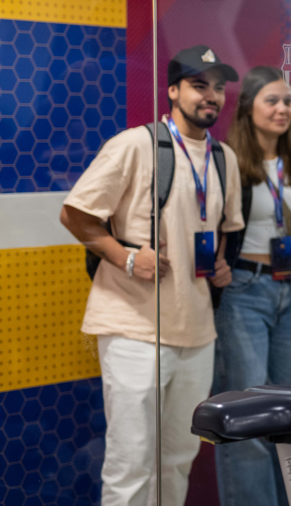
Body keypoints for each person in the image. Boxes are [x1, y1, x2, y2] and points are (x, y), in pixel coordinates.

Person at [60, 45, 243, 506]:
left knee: (178, 456)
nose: (212, 97)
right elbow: (75, 214)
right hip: (133, 327)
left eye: (218, 88)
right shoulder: (135, 145)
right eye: (200, 85)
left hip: (197, 330)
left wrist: (220, 265)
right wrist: (123, 256)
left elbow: (226, 230)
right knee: (131, 461)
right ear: (173, 90)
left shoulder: (225, 159)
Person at [213, 66, 291, 506]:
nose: (282, 109)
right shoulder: (227, 158)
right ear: (248, 108)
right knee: (249, 417)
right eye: (271, 101)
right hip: (245, 291)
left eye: (287, 101)